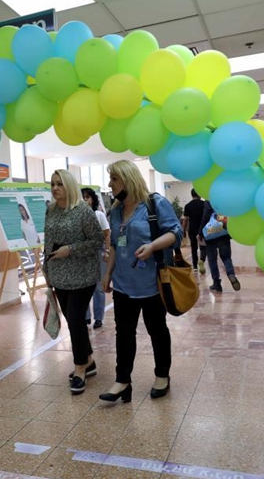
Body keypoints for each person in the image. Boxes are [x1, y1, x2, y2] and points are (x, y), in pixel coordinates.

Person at [101, 160, 182, 403]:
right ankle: (122, 380)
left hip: (152, 283)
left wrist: (152, 246)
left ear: (128, 178)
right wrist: (107, 274)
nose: (110, 184)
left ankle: (162, 376)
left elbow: (175, 233)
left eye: (114, 178)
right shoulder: (115, 210)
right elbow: (116, 244)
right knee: (123, 334)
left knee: (156, 330)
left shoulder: (154, 204)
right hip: (123, 284)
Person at [42, 169, 103, 395]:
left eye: (60, 183)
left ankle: (79, 369)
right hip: (59, 275)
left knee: (76, 319)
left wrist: (71, 250)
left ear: (69, 185)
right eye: (52, 184)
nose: (55, 188)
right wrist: (45, 266)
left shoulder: (83, 211)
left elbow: (97, 241)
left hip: (82, 275)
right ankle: (88, 360)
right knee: (72, 319)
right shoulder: (51, 210)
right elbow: (48, 241)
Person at [81, 187, 111, 329]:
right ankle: (86, 316)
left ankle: (98, 318)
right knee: (84, 285)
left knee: (98, 287)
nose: (84, 200)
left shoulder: (98, 214)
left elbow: (107, 234)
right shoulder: (77, 216)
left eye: (87, 197)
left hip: (98, 252)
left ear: (93, 199)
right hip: (83, 254)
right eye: (82, 197)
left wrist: (106, 251)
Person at [198, 201, 241, 293]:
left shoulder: (208, 200)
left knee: (212, 260)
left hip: (211, 235)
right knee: (226, 257)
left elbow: (206, 216)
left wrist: (200, 232)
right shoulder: (223, 198)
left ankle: (216, 283)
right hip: (223, 232)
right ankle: (231, 274)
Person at [182, 189, 207, 274]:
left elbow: (185, 220)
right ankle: (202, 260)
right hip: (202, 230)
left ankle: (195, 266)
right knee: (203, 247)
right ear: (199, 194)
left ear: (192, 195)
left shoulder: (187, 206)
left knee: (193, 248)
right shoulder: (204, 204)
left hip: (192, 230)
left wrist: (183, 230)